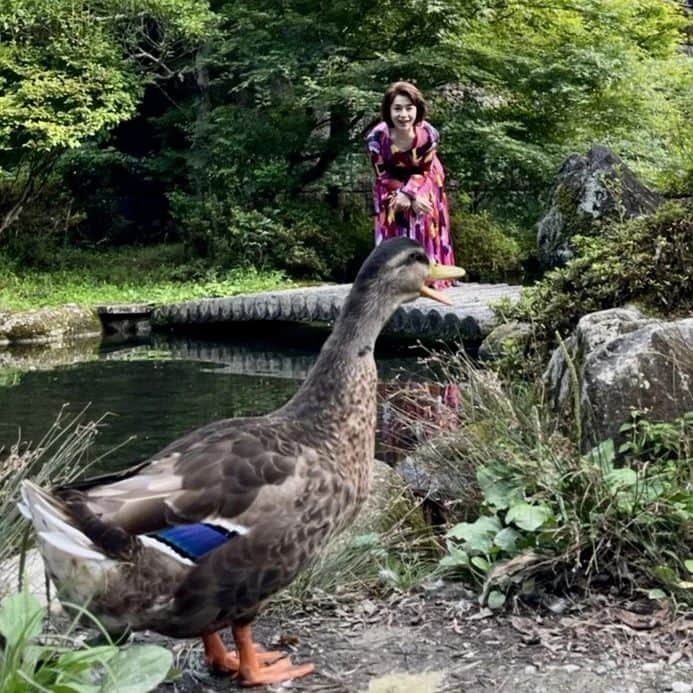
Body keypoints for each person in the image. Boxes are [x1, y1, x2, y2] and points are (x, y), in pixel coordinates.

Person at [366, 81, 456, 284]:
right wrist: (402, 194)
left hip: (425, 177)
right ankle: (393, 274)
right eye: (397, 109)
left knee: (424, 210)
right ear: (389, 111)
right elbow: (382, 174)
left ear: (418, 109)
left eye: (409, 108)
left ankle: (429, 273)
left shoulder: (429, 135)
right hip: (390, 180)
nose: (403, 115)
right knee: (394, 210)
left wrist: (412, 194)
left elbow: (425, 169)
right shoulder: (376, 138)